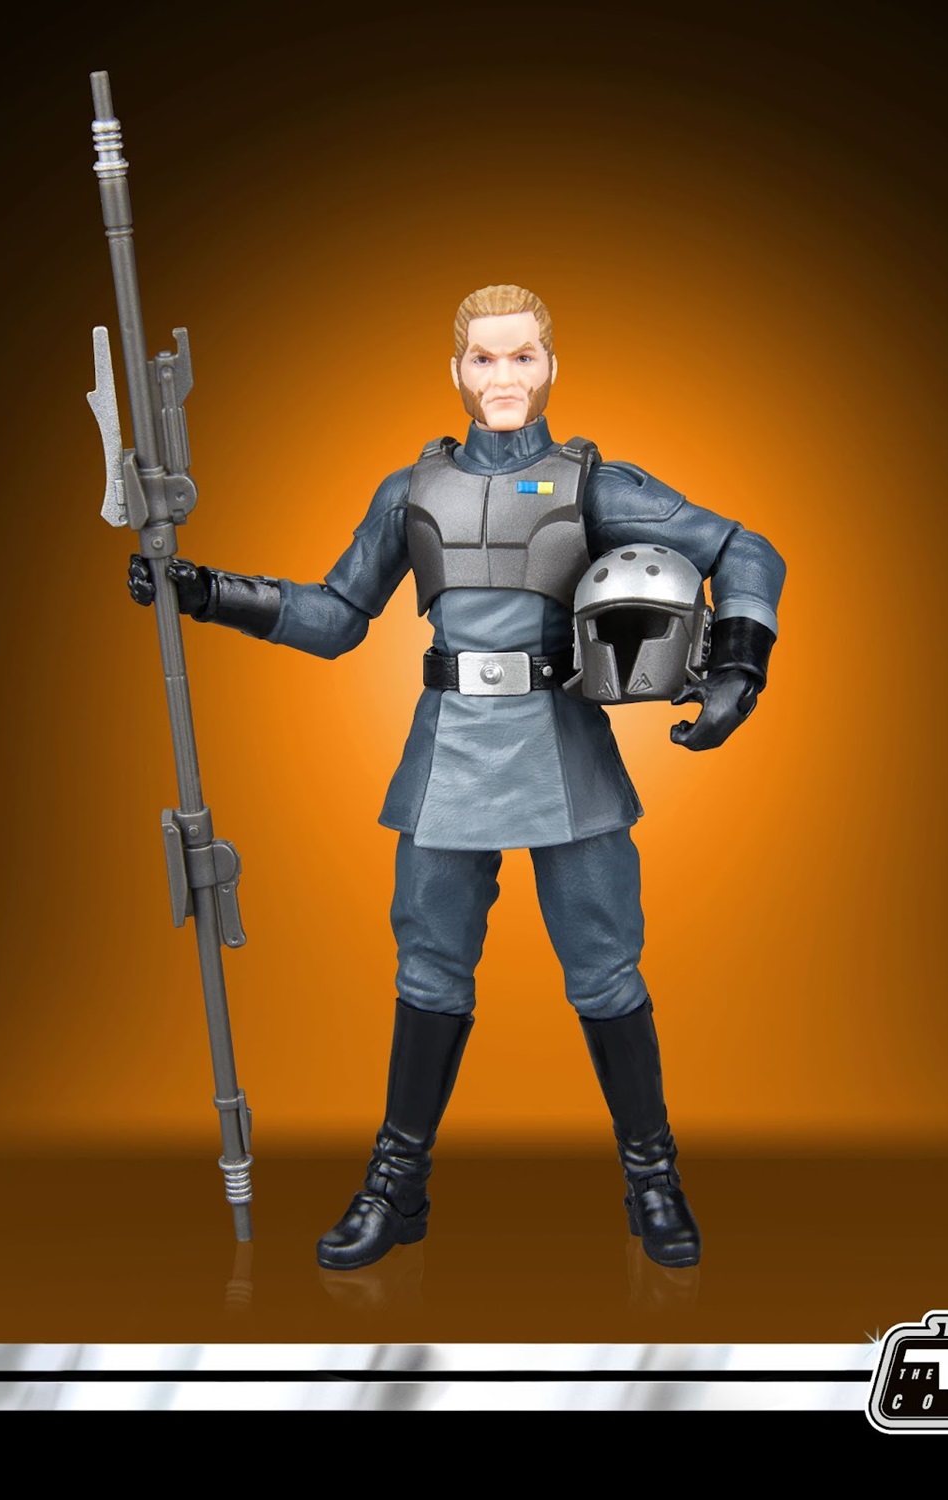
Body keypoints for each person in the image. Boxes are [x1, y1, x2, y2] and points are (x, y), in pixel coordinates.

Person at [129, 285, 785, 1270]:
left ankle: (653, 1177)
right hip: (449, 751)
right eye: (484, 358)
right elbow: (338, 615)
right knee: (429, 968)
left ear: (551, 366)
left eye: (523, 356)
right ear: (456, 371)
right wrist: (211, 593)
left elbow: (744, 548)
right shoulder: (412, 492)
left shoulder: (594, 485)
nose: (504, 376)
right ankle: (397, 1186)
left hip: (563, 746)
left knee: (605, 966)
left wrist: (738, 662)